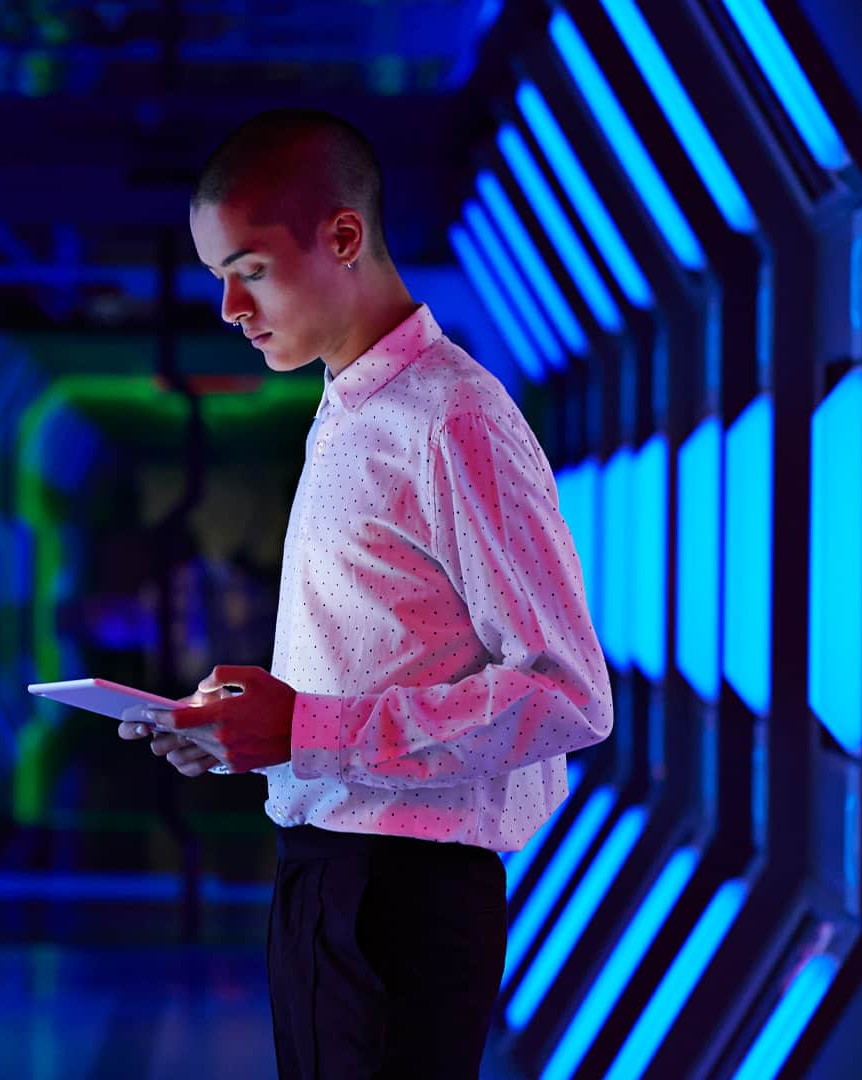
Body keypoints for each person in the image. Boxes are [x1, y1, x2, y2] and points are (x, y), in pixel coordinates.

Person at [116, 109, 612, 1078]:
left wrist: (307, 733)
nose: (228, 307)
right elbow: (376, 663)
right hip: (326, 872)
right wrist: (249, 733)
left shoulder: (454, 418)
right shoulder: (349, 407)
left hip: (405, 897)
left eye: (249, 269)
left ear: (342, 237)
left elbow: (567, 694)